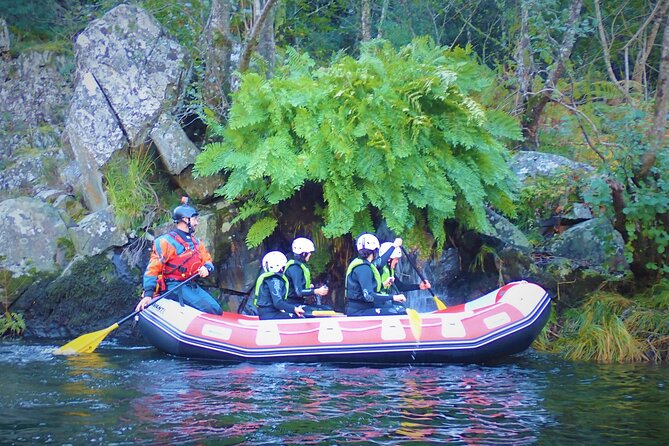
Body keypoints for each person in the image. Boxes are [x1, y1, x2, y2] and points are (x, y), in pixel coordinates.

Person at [135, 197, 222, 315]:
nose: (196, 223)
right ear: (185, 220)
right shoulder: (166, 242)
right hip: (173, 286)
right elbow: (153, 269)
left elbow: (207, 260)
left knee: (217, 310)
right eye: (194, 219)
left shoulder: (196, 242)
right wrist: (148, 294)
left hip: (190, 284)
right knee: (209, 310)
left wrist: (206, 267)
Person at [345, 233, 407, 316]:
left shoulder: (363, 265)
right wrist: (394, 297)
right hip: (359, 311)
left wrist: (383, 284)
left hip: (364, 307)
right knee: (399, 311)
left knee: (398, 307)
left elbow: (365, 289)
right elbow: (369, 296)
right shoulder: (364, 268)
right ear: (374, 251)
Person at [254, 250, 306, 320]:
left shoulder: (270, 279)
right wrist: (294, 309)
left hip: (267, 313)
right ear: (280, 267)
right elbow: (278, 303)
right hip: (270, 314)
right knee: (299, 318)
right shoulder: (275, 280)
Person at [284, 237, 331, 312]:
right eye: (309, 254)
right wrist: (316, 291)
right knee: (323, 311)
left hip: (299, 302)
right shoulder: (295, 268)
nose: (310, 256)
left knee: (327, 308)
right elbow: (299, 292)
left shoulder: (298, 267)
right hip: (292, 304)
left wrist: (309, 287)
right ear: (303, 253)